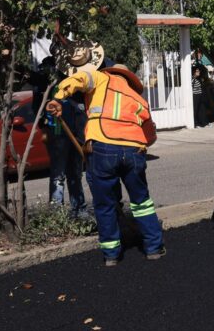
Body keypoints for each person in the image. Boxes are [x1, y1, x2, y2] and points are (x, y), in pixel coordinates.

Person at [47, 51, 162, 266]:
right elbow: (150, 137)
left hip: (103, 147)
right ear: (130, 80)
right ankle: (154, 248)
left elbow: (79, 78)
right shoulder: (139, 99)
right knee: (142, 202)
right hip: (134, 152)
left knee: (105, 204)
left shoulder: (101, 78)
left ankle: (111, 255)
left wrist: (58, 98)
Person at [34, 56, 87, 216]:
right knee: (59, 175)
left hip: (76, 135)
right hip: (58, 134)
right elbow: (37, 108)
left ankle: (79, 212)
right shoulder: (47, 84)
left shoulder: (73, 81)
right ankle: (58, 216)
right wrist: (46, 126)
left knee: (75, 175)